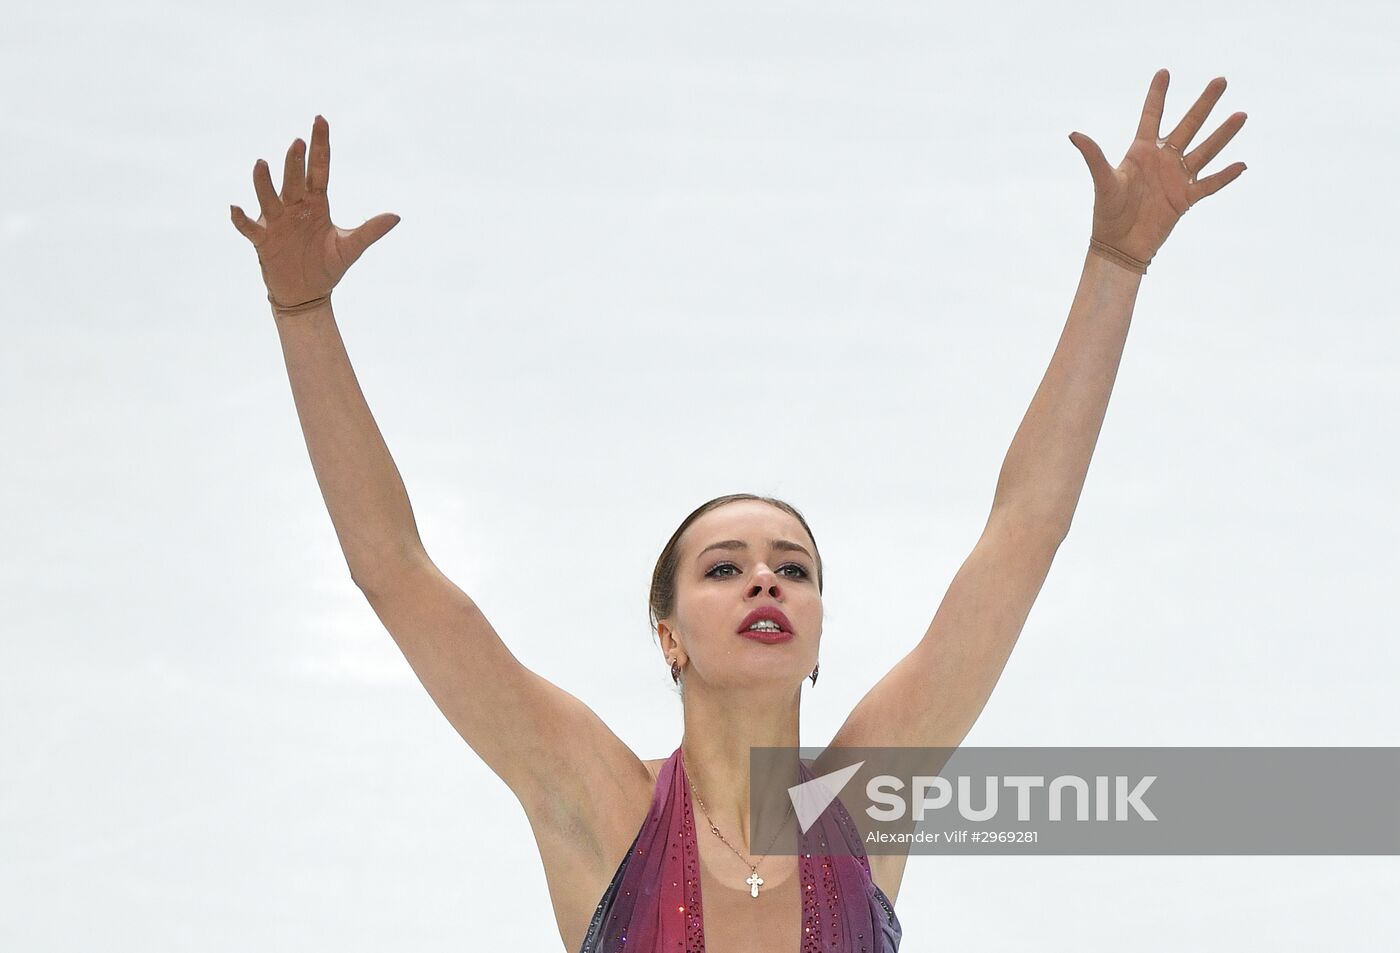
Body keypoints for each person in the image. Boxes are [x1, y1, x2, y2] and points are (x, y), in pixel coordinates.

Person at [229, 67, 1247, 952]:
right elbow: (393, 570)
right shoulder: (604, 805)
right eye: (723, 566)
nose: (765, 577)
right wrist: (303, 314)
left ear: (814, 638)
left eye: (790, 566)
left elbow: (1023, 528)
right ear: (666, 634)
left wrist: (1115, 268)